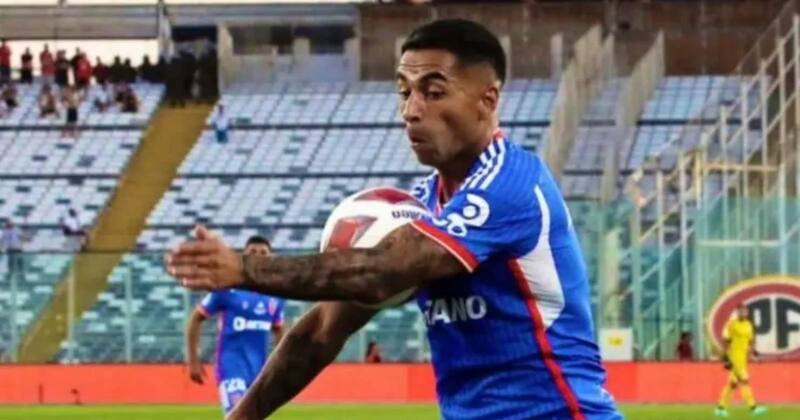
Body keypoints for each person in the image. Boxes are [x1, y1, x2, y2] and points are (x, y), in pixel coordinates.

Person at [166, 19, 621, 420]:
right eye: (405, 92)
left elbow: (381, 272)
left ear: (488, 99)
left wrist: (244, 269)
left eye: (433, 92)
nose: (411, 110)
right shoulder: (420, 205)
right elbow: (322, 331)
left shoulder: (512, 183)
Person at [184, 236, 285, 415]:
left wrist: (281, 365)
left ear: (270, 258)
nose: (258, 256)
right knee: (238, 415)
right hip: (231, 368)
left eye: (263, 253)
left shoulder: (275, 295)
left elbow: (279, 331)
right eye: (252, 252)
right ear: (243, 256)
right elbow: (195, 318)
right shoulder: (228, 289)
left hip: (259, 371)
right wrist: (193, 360)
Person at [715, 303, 767, 418]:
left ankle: (720, 408)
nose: (743, 313)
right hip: (734, 358)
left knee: (733, 384)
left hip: (743, 359)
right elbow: (725, 341)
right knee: (744, 381)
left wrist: (754, 353)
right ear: (737, 312)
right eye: (741, 311)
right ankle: (753, 408)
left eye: (745, 311)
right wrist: (725, 358)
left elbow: (750, 341)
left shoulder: (749, 325)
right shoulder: (731, 324)